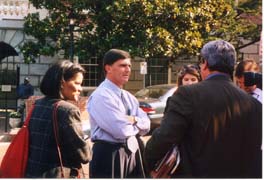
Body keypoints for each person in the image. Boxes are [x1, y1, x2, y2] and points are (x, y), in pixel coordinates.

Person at [145, 40, 262, 178]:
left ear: (205, 63)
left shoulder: (187, 94)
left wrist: (149, 164)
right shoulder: (255, 105)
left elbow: (164, 137)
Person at [87, 49, 150, 178]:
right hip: (109, 155)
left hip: (132, 153)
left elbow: (147, 124)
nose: (127, 70)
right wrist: (136, 123)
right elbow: (121, 130)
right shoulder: (102, 96)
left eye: (129, 66)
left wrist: (134, 119)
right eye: (122, 65)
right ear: (108, 68)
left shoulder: (129, 97)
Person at [25, 60, 91, 178]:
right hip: (59, 174)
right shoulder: (68, 110)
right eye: (77, 83)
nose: (80, 88)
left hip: (33, 172)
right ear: (62, 83)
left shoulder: (37, 105)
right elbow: (84, 155)